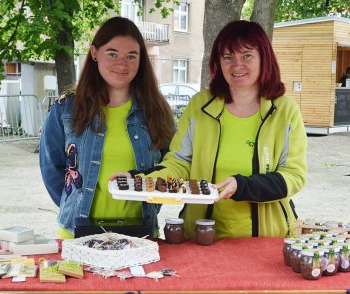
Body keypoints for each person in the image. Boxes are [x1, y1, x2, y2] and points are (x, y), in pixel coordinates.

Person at [113, 20, 307, 240]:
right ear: (218, 62)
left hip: (265, 238)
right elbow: (179, 162)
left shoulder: (285, 111)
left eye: (247, 56)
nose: (237, 65)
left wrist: (242, 185)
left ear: (264, 58)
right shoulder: (199, 105)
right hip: (199, 235)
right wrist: (137, 180)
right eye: (228, 57)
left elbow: (294, 176)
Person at [39, 16, 174, 238]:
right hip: (77, 233)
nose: (122, 63)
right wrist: (73, 203)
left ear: (141, 60)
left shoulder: (156, 110)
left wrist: (151, 203)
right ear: (94, 53)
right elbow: (51, 168)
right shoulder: (67, 108)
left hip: (140, 234)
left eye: (131, 56)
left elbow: (172, 165)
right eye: (112, 53)